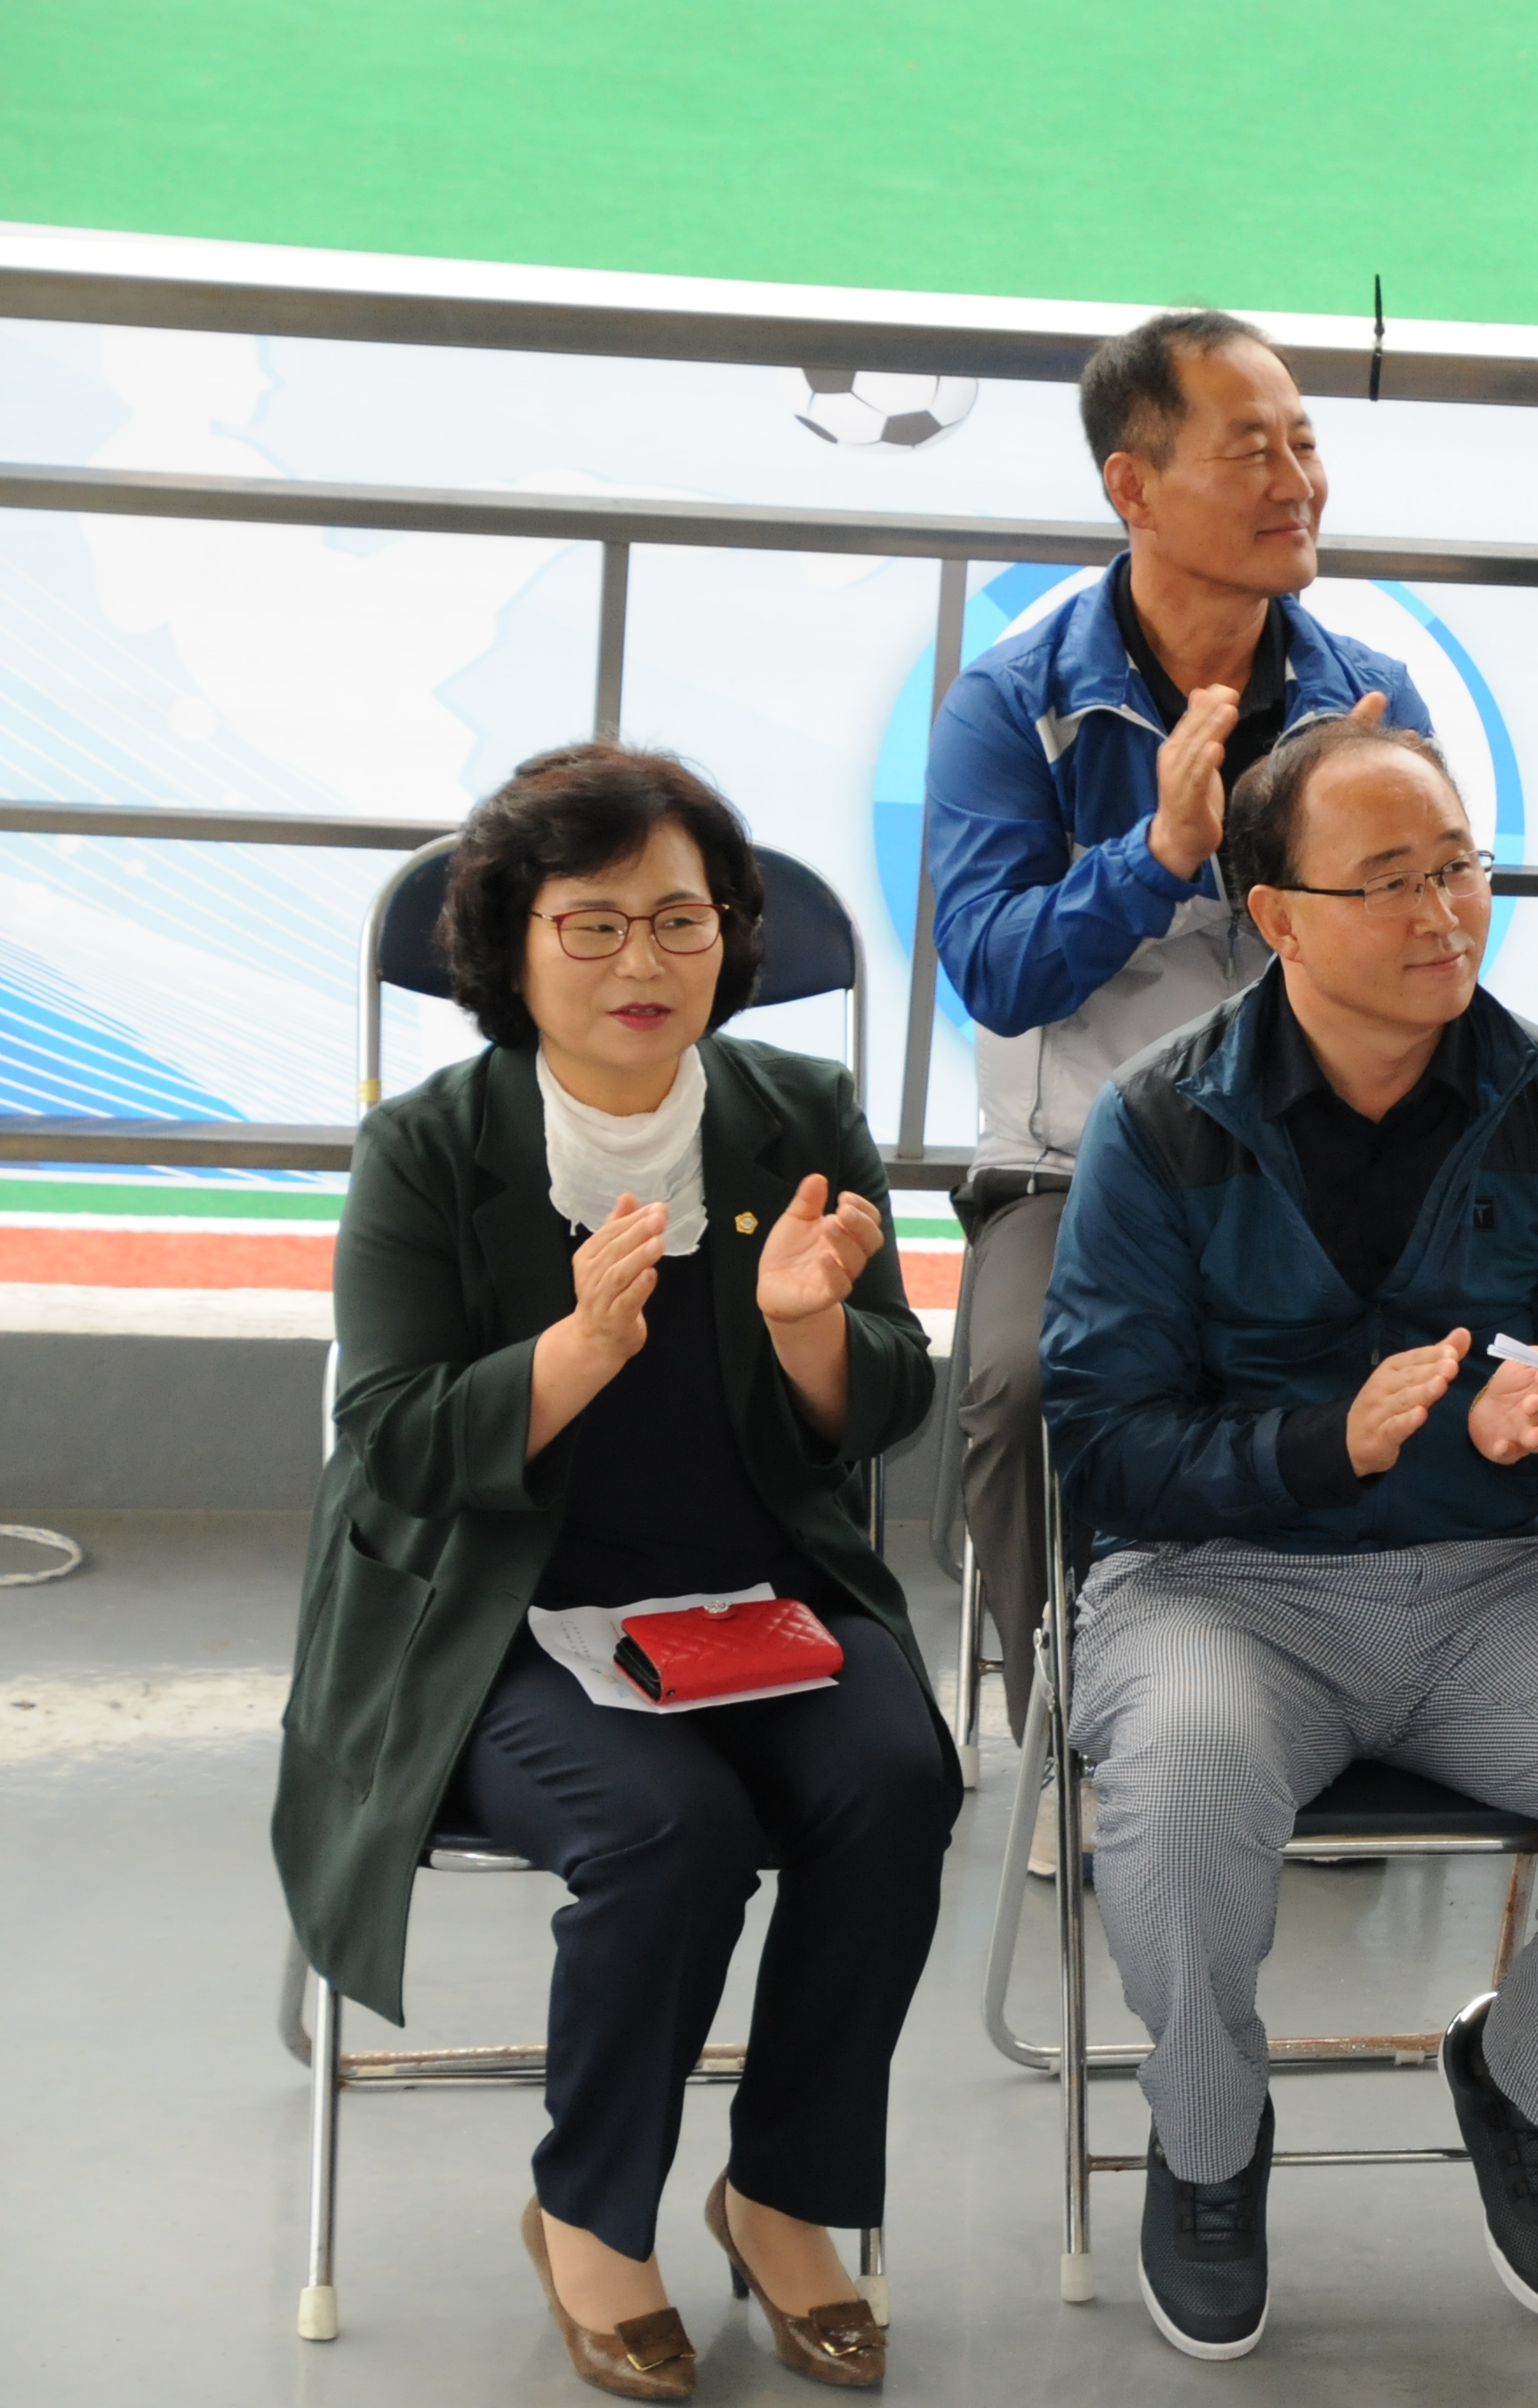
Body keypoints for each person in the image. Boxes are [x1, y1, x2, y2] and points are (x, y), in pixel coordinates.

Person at [1040, 713, 1538, 2360]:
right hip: (1214, 1593)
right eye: (1390, 880)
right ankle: (1210, 2141)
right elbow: (1101, 1452)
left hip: (1499, 1582)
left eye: (1461, 866)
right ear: (1279, 915)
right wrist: (1326, 1439)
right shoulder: (1158, 1125)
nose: (1447, 910)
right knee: (1194, 1785)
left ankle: (1529, 2084)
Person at [275, 745, 954, 2399]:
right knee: (671, 1827)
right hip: (491, 1617)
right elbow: (398, 1446)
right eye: (592, 926)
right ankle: (590, 2217)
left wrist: (809, 1333)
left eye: (683, 919)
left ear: (735, 936)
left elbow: (887, 1399)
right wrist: (575, 1353)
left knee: (897, 1778)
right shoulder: (432, 1149)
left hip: (744, 1594)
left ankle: (781, 2193)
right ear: (511, 944)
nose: (644, 963)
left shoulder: (797, 1114)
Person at [927, 307, 1428, 1748]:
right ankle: (1073, 1751)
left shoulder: (1361, 710)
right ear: (1131, 487)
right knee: (1025, 1385)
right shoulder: (1011, 705)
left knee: (1426, 1358)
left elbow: (1425, 972)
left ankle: (1351, 1712)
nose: (1295, 482)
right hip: (1077, 1172)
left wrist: (1366, 875)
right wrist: (1153, 860)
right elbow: (996, 969)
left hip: (1312, 1165)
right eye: (1249, 449)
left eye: (1306, 442)